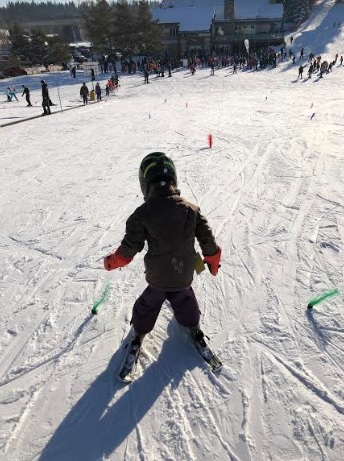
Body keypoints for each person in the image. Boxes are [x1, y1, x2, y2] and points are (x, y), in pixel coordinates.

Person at [104, 152, 221, 347]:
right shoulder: (191, 209)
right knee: (184, 297)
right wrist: (213, 262)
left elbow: (127, 251)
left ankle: (139, 330)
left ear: (145, 183)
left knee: (148, 303)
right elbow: (208, 242)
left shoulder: (141, 214)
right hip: (183, 273)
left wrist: (111, 262)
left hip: (157, 277)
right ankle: (192, 324)